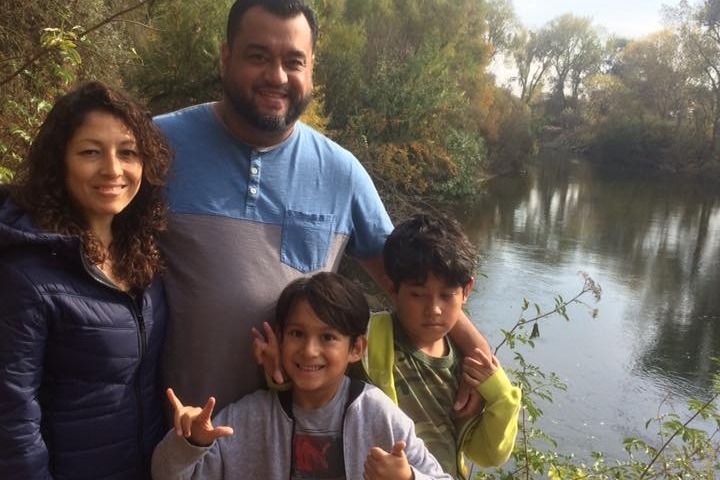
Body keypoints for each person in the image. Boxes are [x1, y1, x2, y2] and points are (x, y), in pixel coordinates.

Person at [155, 0, 491, 413]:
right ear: (226, 56)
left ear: (312, 66)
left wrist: (477, 353)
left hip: (301, 432)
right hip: (180, 427)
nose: (277, 76)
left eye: (293, 62)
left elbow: (412, 278)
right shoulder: (157, 147)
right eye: (258, 56)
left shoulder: (341, 172)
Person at [0, 81, 171, 479]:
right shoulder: (26, 273)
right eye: (90, 152)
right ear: (59, 161)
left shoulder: (141, 253)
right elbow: (11, 416)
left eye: (127, 152)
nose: (112, 169)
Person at [152, 272, 452, 480]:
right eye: (297, 333)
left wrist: (408, 477)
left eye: (328, 337)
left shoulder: (377, 414)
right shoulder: (248, 418)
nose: (309, 351)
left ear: (356, 348)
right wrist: (190, 443)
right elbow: (165, 475)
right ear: (280, 338)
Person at [363, 214, 522, 479]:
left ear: (467, 290)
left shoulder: (466, 365)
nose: (434, 309)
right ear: (392, 288)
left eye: (447, 295)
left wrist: (501, 395)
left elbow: (488, 455)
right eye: (418, 294)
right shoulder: (368, 339)